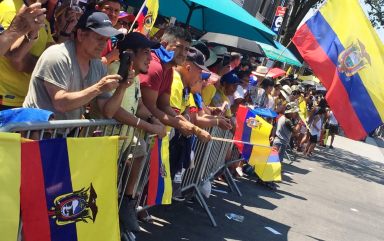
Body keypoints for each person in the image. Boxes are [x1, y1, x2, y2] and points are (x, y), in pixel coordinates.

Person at [100, 32, 166, 235]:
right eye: (146, 52)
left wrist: (154, 121)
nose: (150, 58)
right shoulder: (114, 72)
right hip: (104, 144)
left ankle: (128, 202)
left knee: (141, 148)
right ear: (130, 54)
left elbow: (138, 105)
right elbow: (114, 111)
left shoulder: (135, 77)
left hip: (123, 143)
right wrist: (149, 127)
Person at [23, 11, 124, 120]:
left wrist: (122, 87)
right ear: (80, 35)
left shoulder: (99, 66)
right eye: (99, 38)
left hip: (64, 134)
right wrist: (98, 88)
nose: (104, 45)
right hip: (35, 133)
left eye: (107, 40)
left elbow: (108, 112)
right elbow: (60, 104)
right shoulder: (58, 55)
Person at [139, 26, 211, 142]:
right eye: (179, 47)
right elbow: (150, 107)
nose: (183, 53)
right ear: (163, 44)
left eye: (186, 49)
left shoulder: (169, 70)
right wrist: (182, 125)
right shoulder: (155, 66)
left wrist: (192, 127)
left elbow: (164, 106)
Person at [0, 0, 55, 110]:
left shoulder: (43, 18)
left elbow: (52, 55)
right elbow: (17, 60)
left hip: (28, 100)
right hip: (7, 101)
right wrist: (41, 66)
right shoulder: (10, 7)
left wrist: (65, 31)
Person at [96, 0, 122, 65]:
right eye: (108, 9)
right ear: (97, 9)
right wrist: (110, 57)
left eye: (116, 10)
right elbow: (87, 65)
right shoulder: (91, 33)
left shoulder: (108, 35)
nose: (113, 14)